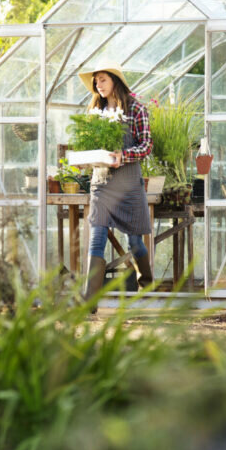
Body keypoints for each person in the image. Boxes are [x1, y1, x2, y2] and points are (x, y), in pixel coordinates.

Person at [76, 62, 154, 309]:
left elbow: (146, 145)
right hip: (101, 184)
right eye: (95, 81)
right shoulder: (93, 112)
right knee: (97, 237)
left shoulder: (136, 109)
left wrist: (125, 156)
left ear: (115, 81)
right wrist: (83, 160)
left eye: (102, 79)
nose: (98, 85)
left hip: (129, 186)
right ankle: (90, 302)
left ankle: (146, 281)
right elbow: (87, 147)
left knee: (134, 242)